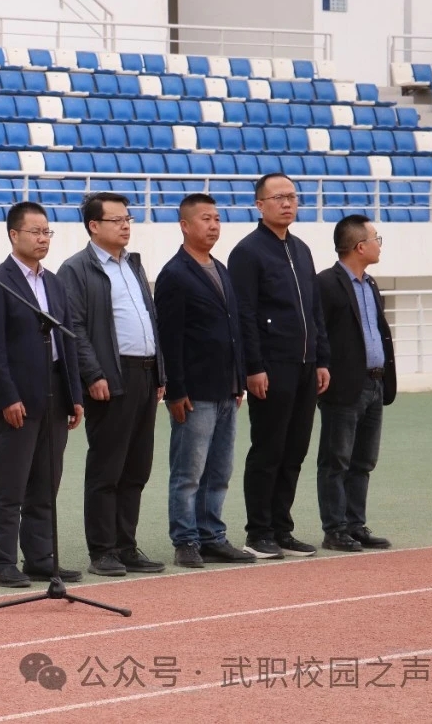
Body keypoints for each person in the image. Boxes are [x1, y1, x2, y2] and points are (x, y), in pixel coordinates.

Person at [58, 192, 166, 578]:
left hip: (145, 373)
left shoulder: (133, 264)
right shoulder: (76, 269)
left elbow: (149, 320)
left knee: (137, 467)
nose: (125, 226)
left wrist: (160, 373)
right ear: (93, 226)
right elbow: (73, 327)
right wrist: (93, 374)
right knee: (107, 468)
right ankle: (102, 550)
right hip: (111, 376)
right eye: (116, 220)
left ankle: (126, 545)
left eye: (127, 219)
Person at [0, 202, 85, 588]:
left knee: (45, 484)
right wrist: (8, 397)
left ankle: (41, 558)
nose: (43, 239)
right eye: (35, 232)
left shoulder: (54, 282)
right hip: (16, 398)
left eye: (47, 232)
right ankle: (2, 562)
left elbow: (67, 341)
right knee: (9, 485)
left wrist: (75, 395)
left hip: (54, 393)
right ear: (14, 234)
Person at [227, 173, 331, 560]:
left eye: (292, 196)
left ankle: (282, 528)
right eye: (278, 198)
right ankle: (259, 532)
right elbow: (245, 314)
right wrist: (253, 367)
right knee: (268, 449)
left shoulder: (301, 249)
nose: (287, 203)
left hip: (305, 365)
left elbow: (314, 311)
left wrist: (321, 359)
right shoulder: (248, 252)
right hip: (271, 367)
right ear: (259, 205)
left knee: (295, 449)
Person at [154, 194, 255, 569]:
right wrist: (176, 390)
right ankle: (185, 540)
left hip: (226, 389)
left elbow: (233, 330)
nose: (213, 225)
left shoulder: (221, 268)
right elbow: (170, 338)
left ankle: (212, 536)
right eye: (205, 219)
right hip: (194, 393)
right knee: (188, 473)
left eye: (217, 218)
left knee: (219, 471)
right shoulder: (174, 274)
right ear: (184, 225)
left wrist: (238, 380)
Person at [315, 215, 395, 552]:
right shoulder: (326, 283)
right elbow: (319, 333)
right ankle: (335, 529)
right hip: (344, 386)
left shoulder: (370, 283)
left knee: (363, 461)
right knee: (336, 460)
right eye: (377, 238)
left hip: (375, 384)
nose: (380, 245)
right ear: (360, 246)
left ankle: (355, 525)